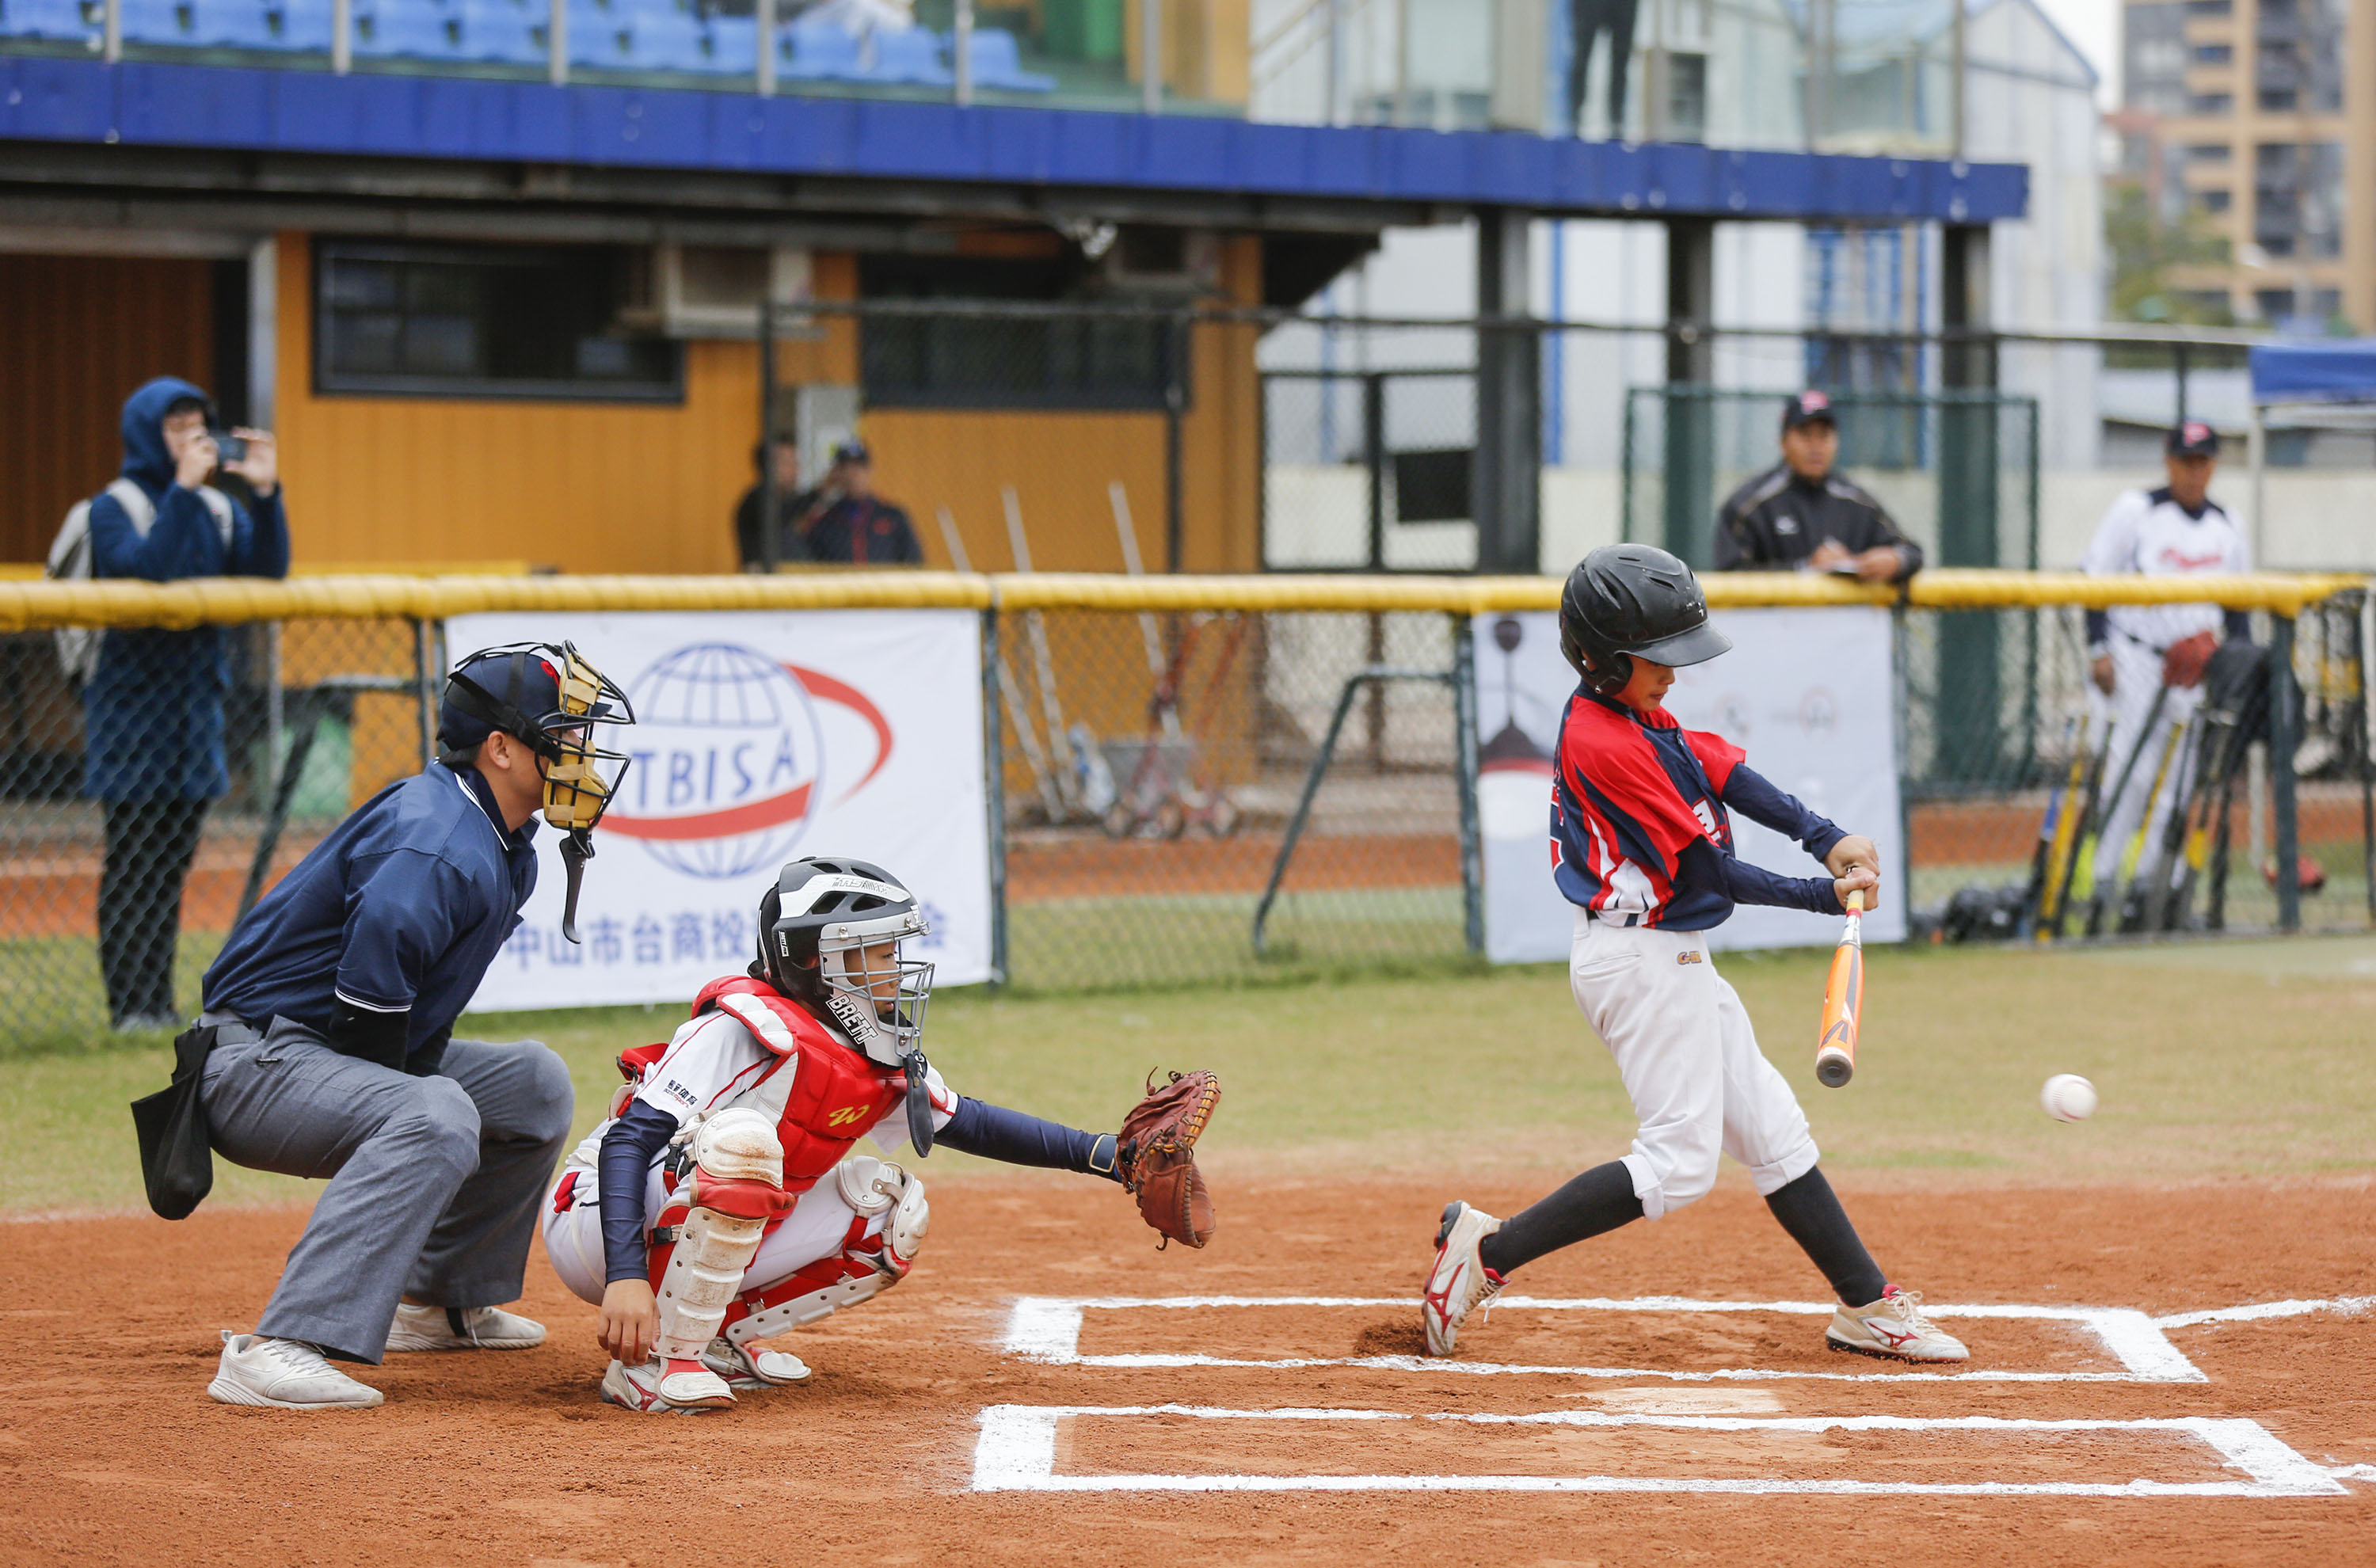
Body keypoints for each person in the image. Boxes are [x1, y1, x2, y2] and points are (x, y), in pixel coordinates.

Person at [1418, 545, 1967, 1366]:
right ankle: (1487, 1255)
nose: (1672, 675)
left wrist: (1824, 838)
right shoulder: (1604, 742)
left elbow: (1718, 765)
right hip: (1639, 964)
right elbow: (1707, 872)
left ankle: (1865, 1307)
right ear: (1601, 662)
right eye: (1656, 661)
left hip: (1666, 956)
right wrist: (1824, 897)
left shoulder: (1633, 713)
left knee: (1774, 1130)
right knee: (1678, 1162)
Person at [543, 856, 1212, 1412]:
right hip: (599, 1220)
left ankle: (708, 1336)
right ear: (813, 961)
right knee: (744, 1144)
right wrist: (626, 1277)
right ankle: (650, 1367)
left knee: (889, 1213)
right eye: (874, 952)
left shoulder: (867, 1047)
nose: (894, 967)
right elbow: (629, 1141)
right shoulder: (740, 1029)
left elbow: (969, 1121)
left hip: (674, 1216)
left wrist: (1113, 1159)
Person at [196, 641, 637, 1410]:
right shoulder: (436, 844)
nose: (582, 754)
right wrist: (421, 1118)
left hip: (312, 1048)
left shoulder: (497, 836)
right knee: (436, 1113)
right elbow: (370, 1026)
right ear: (501, 749)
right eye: (564, 737)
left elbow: (408, 1024)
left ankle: (438, 1303)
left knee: (533, 1083)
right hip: (254, 1063)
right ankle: (281, 1345)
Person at [85, 377, 289, 1030]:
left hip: (196, 716)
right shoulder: (113, 507)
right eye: (176, 428)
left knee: (171, 865)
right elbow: (153, 574)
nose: (192, 439)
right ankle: (128, 1006)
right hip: (132, 718)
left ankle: (157, 1001)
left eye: (199, 426)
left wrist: (264, 492)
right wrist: (183, 488)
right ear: (147, 432)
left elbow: (266, 573)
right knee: (132, 861)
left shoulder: (215, 506)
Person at [2078, 420, 2252, 892]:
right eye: (2185, 460)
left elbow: (2239, 608)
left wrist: (2232, 671)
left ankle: (2156, 886)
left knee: (2180, 782)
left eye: (2203, 461)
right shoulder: (2137, 510)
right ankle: (2104, 881)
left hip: (2196, 669)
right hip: (2135, 657)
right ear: (2169, 460)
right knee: (2129, 775)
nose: (2194, 471)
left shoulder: (2227, 523)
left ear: (2214, 465)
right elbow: (2093, 577)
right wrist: (2098, 649)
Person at [1714, 392, 1923, 584]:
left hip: (1848, 623)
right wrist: (1806, 568)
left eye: (1824, 436)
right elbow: (1730, 574)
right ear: (1783, 442)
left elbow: (1911, 552)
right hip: (1774, 622)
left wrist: (1896, 560)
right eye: (1805, 435)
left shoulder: (1855, 500)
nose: (1816, 447)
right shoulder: (1751, 505)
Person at [782, 440, 923, 565]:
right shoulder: (824, 521)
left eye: (858, 467)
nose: (853, 474)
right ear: (836, 474)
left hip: (885, 591)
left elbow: (914, 560)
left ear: (869, 471)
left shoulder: (892, 516)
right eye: (846, 468)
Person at [733, 436, 817, 572]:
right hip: (764, 585)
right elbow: (785, 513)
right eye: (787, 463)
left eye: (796, 463)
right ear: (768, 466)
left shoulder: (786, 499)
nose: (795, 470)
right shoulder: (757, 499)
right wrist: (820, 491)